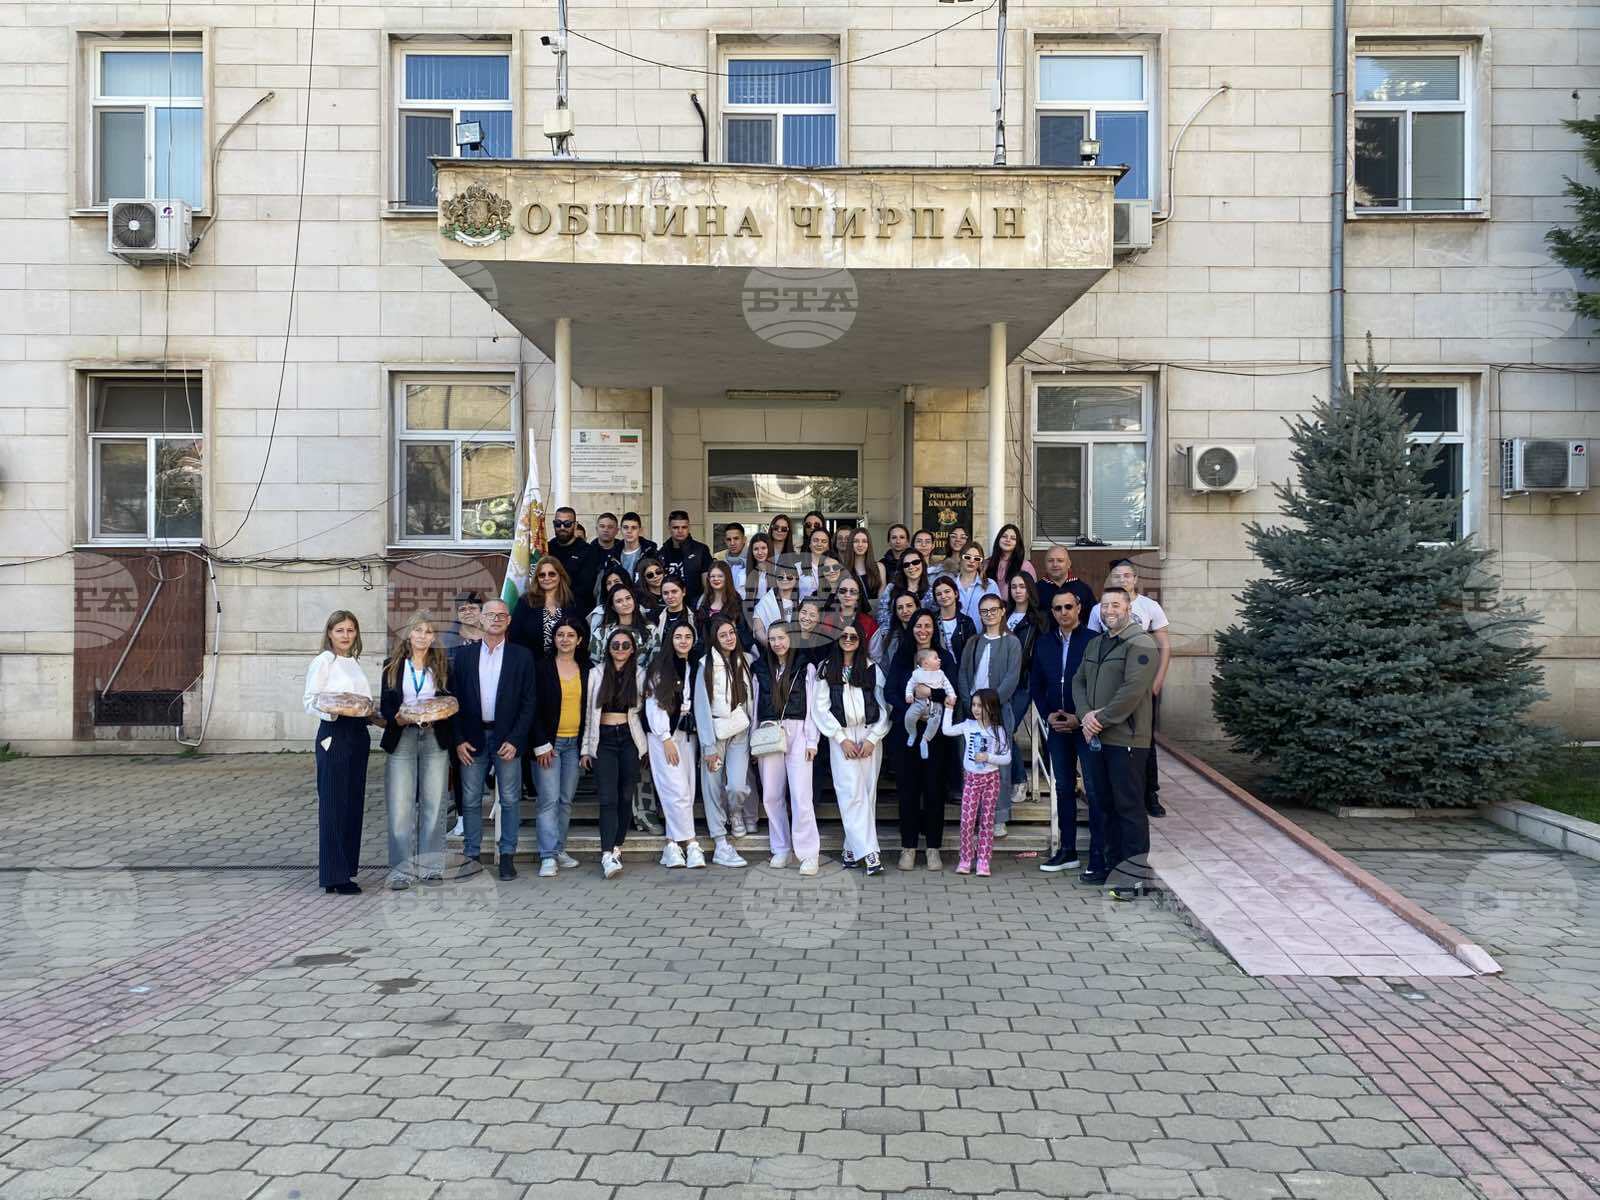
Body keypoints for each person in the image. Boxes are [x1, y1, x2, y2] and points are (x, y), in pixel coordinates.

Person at [1073, 585, 1159, 900]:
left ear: (1128, 609)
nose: (1109, 611)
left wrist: (1101, 719)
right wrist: (1085, 716)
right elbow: (1079, 681)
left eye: (1115, 605)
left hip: (1127, 739)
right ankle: (1112, 868)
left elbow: (1132, 690)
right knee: (1104, 805)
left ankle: (1135, 878)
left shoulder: (1141, 643)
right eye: (1104, 606)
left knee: (1129, 808)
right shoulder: (1096, 643)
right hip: (1097, 738)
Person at [450, 599, 537, 880]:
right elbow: (453, 700)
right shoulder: (464, 656)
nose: (496, 619)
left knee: (510, 800)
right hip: (472, 739)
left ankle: (507, 856)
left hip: (506, 739)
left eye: (502, 615)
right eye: (490, 615)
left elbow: (529, 702)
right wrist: (458, 739)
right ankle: (471, 856)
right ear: (481, 619)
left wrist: (516, 739)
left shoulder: (521, 656)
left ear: (509, 621)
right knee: (471, 800)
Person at [1088, 560, 1172, 818]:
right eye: (1117, 576)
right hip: (1109, 686)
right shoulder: (1099, 609)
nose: (1122, 579)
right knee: (1112, 742)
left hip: (1140, 684)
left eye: (1127, 576)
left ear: (1135, 579)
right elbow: (1092, 645)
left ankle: (1150, 793)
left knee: (1143, 741)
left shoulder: (1149, 606)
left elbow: (1164, 645)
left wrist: (1157, 681)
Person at [379, 611, 453, 890]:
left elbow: (451, 701)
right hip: (403, 737)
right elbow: (386, 705)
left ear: (434, 637)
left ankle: (431, 868)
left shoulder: (443, 665)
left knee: (434, 804)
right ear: (409, 634)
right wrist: (396, 719)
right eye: (418, 630)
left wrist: (443, 713)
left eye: (428, 631)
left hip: (434, 737)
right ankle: (400, 872)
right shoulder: (392, 665)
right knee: (400, 806)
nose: (423, 636)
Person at [811, 625, 890, 875]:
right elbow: (819, 708)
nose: (847, 640)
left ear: (860, 640)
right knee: (850, 794)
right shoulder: (826, 668)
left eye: (853, 636)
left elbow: (885, 707)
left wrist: (873, 738)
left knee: (867, 793)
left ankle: (850, 849)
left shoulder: (871, 668)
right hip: (841, 737)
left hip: (869, 736)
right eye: (843, 636)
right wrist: (840, 738)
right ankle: (870, 853)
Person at [304, 610, 373, 895]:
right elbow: (310, 701)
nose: (346, 635)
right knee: (333, 803)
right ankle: (333, 875)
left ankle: (346, 870)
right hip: (334, 732)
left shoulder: (353, 662)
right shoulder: (323, 661)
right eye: (340, 630)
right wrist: (334, 711)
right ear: (330, 633)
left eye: (350, 630)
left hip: (358, 734)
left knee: (352, 803)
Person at [885, 611, 956, 872]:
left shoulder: (943, 658)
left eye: (927, 625)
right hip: (907, 735)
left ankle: (933, 848)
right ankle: (909, 847)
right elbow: (890, 692)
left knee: (934, 790)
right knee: (908, 791)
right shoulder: (902, 657)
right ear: (911, 628)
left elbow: (952, 692)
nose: (922, 630)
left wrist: (930, 694)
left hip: (936, 735)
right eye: (918, 625)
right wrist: (912, 710)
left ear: (934, 629)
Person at [1032, 589, 1094, 875]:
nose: (1063, 612)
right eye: (1057, 608)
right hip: (1057, 725)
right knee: (1063, 788)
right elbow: (1036, 684)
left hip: (1088, 727)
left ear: (1078, 607)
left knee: (1093, 788)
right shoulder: (1044, 642)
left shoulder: (1093, 641)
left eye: (1068, 606)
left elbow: (1098, 686)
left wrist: (1079, 718)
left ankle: (1099, 854)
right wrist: (1048, 714)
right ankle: (1067, 851)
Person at [754, 623, 822, 875]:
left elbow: (813, 705)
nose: (777, 643)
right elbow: (755, 704)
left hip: (798, 731)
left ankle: (808, 854)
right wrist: (753, 739)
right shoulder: (761, 667)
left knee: (801, 795)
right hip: (769, 732)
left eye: (781, 638)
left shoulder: (806, 666)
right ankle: (781, 848)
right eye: (772, 639)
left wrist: (812, 740)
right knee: (772, 795)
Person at [581, 626, 647, 880]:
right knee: (607, 797)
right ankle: (606, 853)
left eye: (625, 645)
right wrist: (586, 748)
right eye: (615, 645)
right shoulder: (596, 673)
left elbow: (644, 713)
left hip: (629, 739)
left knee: (625, 795)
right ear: (608, 649)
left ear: (632, 649)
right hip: (604, 739)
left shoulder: (640, 674)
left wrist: (646, 747)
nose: (620, 649)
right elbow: (589, 714)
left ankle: (617, 846)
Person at [692, 616, 757, 867]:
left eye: (732, 633)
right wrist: (708, 746)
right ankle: (720, 841)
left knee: (737, 785)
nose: (729, 638)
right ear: (714, 639)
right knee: (712, 787)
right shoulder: (705, 664)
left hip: (740, 729)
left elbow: (751, 700)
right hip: (715, 732)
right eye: (723, 635)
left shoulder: (745, 660)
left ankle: (736, 812)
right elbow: (701, 708)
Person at [956, 594, 1022, 838]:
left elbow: (1012, 678)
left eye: (993, 610)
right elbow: (964, 674)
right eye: (984, 611)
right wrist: (969, 703)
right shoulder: (973, 642)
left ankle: (998, 817)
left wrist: (989, 705)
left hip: (999, 712)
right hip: (972, 712)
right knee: (972, 763)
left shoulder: (1012, 642)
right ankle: (975, 816)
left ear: (1003, 611)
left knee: (998, 766)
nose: (989, 615)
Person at [645, 623, 706, 869]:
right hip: (664, 736)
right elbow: (654, 704)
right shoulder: (660, 667)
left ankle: (671, 845)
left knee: (686, 791)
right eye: (678, 636)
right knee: (676, 789)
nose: (683, 640)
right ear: (670, 639)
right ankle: (691, 843)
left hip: (687, 733)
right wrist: (665, 738)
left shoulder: (695, 665)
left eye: (688, 636)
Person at [530, 619, 587, 878]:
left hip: (574, 745)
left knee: (565, 801)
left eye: (570, 635)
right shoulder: (542, 667)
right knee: (548, 801)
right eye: (560, 634)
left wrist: (586, 746)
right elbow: (532, 707)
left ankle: (559, 849)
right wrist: (540, 743)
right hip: (549, 746)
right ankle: (547, 856)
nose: (565, 639)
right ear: (554, 639)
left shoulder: (586, 668)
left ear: (579, 640)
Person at [941, 688, 1012, 877]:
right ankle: (965, 858)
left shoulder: (998, 730)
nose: (976, 709)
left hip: (991, 779)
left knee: (987, 821)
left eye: (981, 705)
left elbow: (1007, 757)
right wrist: (948, 709)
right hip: (972, 779)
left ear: (992, 707)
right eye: (974, 705)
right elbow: (946, 730)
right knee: (967, 820)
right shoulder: (968, 725)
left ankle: (983, 860)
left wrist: (989, 757)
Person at [1004, 574, 1045, 812]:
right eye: (1013, 586)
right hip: (1001, 682)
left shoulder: (1038, 619)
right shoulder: (1004, 614)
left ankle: (1019, 779)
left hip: (1024, 682)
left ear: (1030, 589)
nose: (1018, 590)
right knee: (999, 728)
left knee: (1006, 728)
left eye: (1022, 586)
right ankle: (1012, 777)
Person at [509, 557, 585, 665]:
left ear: (560, 576)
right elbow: (514, 636)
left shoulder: (573, 602)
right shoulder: (526, 602)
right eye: (542, 575)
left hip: (566, 666)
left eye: (552, 574)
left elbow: (582, 634)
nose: (547, 578)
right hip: (533, 665)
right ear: (537, 578)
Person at [903, 647, 954, 761]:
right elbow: (910, 684)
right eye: (936, 658)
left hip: (935, 704)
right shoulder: (917, 674)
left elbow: (948, 686)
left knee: (935, 721)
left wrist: (952, 696)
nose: (939, 660)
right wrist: (909, 694)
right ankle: (912, 732)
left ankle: (925, 740)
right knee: (909, 716)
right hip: (919, 702)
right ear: (926, 663)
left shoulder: (940, 674)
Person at [592, 581, 658, 668]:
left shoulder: (650, 629)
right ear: (613, 607)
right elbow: (595, 662)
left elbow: (655, 660)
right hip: (607, 675)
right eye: (619, 601)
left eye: (628, 598)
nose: (625, 603)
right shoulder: (601, 632)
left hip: (641, 675)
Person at [696, 561, 755, 651]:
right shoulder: (703, 602)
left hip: (734, 652)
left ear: (727, 577)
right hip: (709, 652)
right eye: (712, 576)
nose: (716, 579)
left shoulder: (737, 602)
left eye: (720, 576)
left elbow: (744, 633)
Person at [1035, 546, 1097, 629]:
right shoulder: (1036, 589)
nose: (1055, 564)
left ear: (1069, 564)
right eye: (1050, 561)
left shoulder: (1083, 589)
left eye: (1060, 560)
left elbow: (1093, 619)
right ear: (1045, 564)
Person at [660, 510, 713, 607]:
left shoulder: (701, 550)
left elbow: (707, 584)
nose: (680, 531)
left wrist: (704, 605)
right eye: (676, 527)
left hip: (695, 605)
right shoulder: (662, 552)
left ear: (689, 528)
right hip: (668, 605)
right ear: (669, 528)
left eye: (684, 527)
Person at [576, 511, 622, 603]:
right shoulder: (587, 552)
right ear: (597, 529)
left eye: (610, 527)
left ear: (617, 531)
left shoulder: (623, 551)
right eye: (602, 526)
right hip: (590, 603)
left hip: (618, 600)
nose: (605, 530)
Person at [930, 576, 977, 666]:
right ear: (935, 599)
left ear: (956, 593)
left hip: (962, 670)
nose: (943, 596)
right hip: (938, 670)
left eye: (947, 591)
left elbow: (972, 653)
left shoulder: (966, 622)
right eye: (939, 594)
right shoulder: (931, 621)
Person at [951, 543, 1002, 625]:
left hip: (982, 632)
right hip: (955, 632)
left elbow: (998, 614)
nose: (972, 561)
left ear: (980, 562)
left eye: (977, 558)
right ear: (961, 558)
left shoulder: (990, 585)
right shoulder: (951, 585)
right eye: (967, 557)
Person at [878, 549, 931, 625]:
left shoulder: (931, 590)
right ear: (902, 569)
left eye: (915, 562)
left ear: (922, 564)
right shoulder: (891, 588)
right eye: (906, 565)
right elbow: (882, 615)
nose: (911, 567)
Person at [752, 563, 799, 647]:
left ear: (796, 579)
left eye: (789, 577)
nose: (785, 579)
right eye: (780, 577)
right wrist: (773, 645)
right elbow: (758, 630)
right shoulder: (766, 601)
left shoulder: (800, 601)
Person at [822, 576, 876, 645]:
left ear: (858, 595)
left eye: (853, 591)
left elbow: (875, 651)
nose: (847, 595)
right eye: (843, 591)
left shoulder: (869, 623)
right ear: (837, 594)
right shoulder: (827, 621)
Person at [870, 590, 919, 666]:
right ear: (896, 612)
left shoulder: (927, 631)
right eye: (900, 608)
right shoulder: (888, 636)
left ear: (917, 608)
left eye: (909, 606)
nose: (905, 611)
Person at [587, 567, 635, 641]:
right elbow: (594, 640)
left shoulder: (638, 608)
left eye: (616, 581)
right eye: (609, 583)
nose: (613, 585)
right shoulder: (599, 612)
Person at [546, 506, 588, 584]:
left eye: (567, 524)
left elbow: (586, 586)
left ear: (575, 525)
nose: (562, 527)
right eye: (558, 523)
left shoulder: (588, 551)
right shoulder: (546, 548)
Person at [795, 526, 839, 601]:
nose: (819, 544)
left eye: (824, 541)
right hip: (805, 607)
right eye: (815, 540)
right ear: (809, 544)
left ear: (829, 546)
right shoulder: (797, 567)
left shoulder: (836, 566)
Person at [846, 528, 886, 601]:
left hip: (875, 608)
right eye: (856, 541)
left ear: (869, 544)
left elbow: (882, 598)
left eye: (864, 541)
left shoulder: (880, 567)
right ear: (851, 544)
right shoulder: (844, 570)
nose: (860, 545)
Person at [654, 576, 696, 647]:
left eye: (674, 592)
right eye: (665, 593)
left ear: (683, 592)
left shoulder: (697, 616)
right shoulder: (655, 616)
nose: (670, 596)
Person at [616, 511, 658, 578]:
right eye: (625, 527)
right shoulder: (613, 554)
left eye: (634, 528)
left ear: (640, 530)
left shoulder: (650, 552)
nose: (629, 531)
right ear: (620, 530)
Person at [742, 532, 778, 608]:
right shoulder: (743, 574)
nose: (760, 552)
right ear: (751, 551)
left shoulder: (777, 571)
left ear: (769, 549)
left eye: (763, 548)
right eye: (756, 549)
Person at [715, 521, 750, 592]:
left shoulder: (753, 559)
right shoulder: (719, 559)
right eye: (729, 539)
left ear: (744, 539)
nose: (732, 543)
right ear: (725, 541)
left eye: (736, 538)